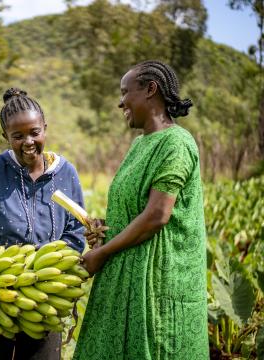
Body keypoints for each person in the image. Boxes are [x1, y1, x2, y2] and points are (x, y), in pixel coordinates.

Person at [73, 61, 209, 359]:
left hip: (157, 281)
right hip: (123, 276)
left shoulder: (176, 143)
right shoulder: (139, 145)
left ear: (151, 89)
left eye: (125, 92)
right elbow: (135, 208)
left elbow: (157, 216)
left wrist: (102, 254)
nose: (120, 101)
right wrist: (105, 230)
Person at [0, 87, 86, 359]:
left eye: (35, 133)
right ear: (6, 137)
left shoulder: (65, 173)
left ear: (45, 129)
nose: (28, 142)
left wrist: (59, 264)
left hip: (46, 294)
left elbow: (77, 228)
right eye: (18, 136)